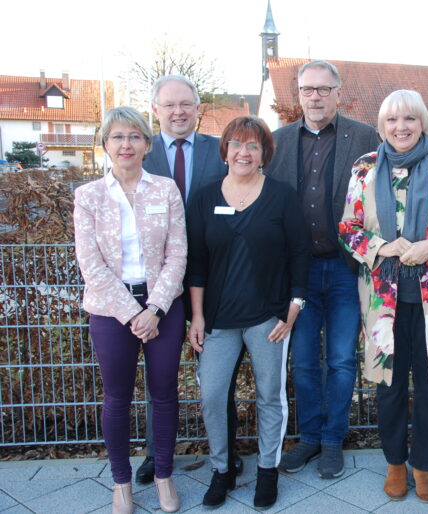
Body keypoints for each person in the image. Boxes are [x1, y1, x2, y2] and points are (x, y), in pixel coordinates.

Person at [339, 89, 428, 502]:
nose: (401, 128)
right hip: (385, 301)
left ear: (423, 124)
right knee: (390, 385)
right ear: (382, 127)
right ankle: (395, 463)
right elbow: (348, 228)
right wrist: (382, 247)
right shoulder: (364, 168)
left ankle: (424, 466)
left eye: (409, 120)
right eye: (392, 121)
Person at [186, 116, 310, 510]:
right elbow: (197, 263)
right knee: (211, 395)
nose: (244, 152)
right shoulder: (204, 198)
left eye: (253, 146)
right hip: (218, 320)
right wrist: (197, 316)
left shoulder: (281, 196)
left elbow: (299, 256)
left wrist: (293, 309)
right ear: (225, 150)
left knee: (270, 396)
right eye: (237, 144)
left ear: (264, 155)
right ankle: (222, 470)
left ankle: (268, 472)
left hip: (268, 318)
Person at [265, 60, 379, 479]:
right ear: (298, 94)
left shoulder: (365, 137)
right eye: (307, 89)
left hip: (347, 268)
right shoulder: (276, 143)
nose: (315, 96)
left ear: (337, 92)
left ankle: (333, 440)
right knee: (304, 361)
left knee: (342, 359)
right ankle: (309, 437)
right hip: (300, 272)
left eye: (323, 89)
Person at [73, 106, 186, 514]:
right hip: (110, 310)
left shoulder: (166, 190)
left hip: (163, 305)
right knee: (117, 397)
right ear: (105, 144)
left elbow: (178, 253)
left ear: (147, 144)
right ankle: (121, 482)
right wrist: (130, 313)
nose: (126, 144)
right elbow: (91, 264)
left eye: (134, 137)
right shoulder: (88, 196)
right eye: (118, 137)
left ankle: (163, 476)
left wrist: (154, 307)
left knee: (164, 393)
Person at [140, 74, 234, 485]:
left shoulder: (222, 151)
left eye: (186, 104)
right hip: (157, 284)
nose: (178, 112)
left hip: (212, 282)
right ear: (155, 111)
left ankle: (226, 455)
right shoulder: (140, 153)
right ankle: (154, 454)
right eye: (169, 105)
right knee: (157, 376)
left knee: (218, 375)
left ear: (198, 108)